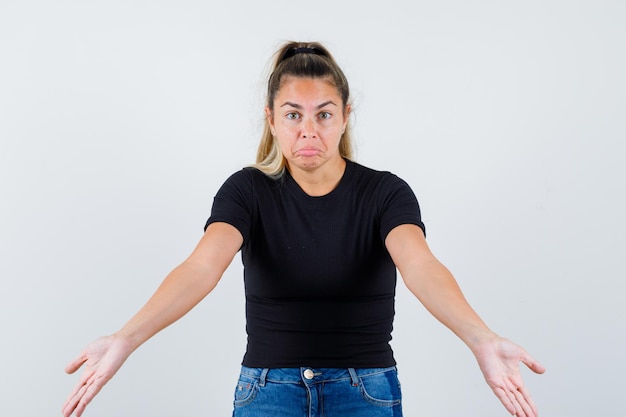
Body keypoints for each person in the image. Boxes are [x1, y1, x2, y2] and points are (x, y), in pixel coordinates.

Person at [62, 41, 545, 417]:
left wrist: (481, 338)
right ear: (271, 119)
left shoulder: (384, 193)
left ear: (344, 118)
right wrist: (126, 337)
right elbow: (200, 267)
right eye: (293, 114)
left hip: (366, 391)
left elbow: (421, 265)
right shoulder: (247, 191)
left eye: (324, 114)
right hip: (267, 392)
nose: (308, 131)